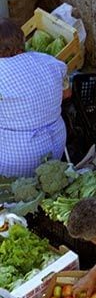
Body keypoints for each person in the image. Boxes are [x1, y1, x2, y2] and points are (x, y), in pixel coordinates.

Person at [0, 17, 69, 178]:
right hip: (56, 147)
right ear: (23, 40)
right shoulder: (50, 61)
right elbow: (67, 94)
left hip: (16, 160)